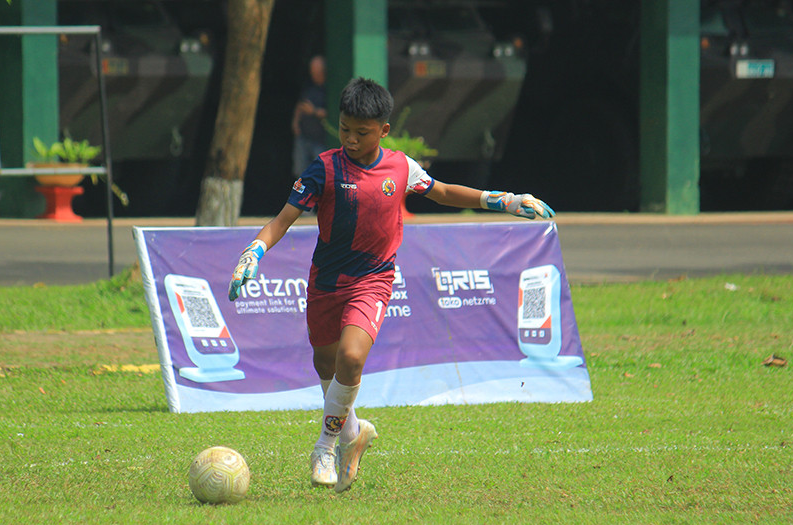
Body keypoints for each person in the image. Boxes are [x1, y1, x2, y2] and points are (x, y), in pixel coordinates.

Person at [228, 77, 553, 493]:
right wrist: (254, 250)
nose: (350, 139)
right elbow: (282, 220)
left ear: (383, 130)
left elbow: (443, 191)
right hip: (326, 281)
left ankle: (325, 446)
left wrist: (502, 199)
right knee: (326, 366)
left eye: (361, 133)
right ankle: (353, 435)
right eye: (344, 128)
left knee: (350, 357)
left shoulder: (400, 166)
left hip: (373, 280)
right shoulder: (324, 168)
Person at [291, 55, 328, 177]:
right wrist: (295, 122)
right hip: (303, 136)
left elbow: (330, 113)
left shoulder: (329, 88)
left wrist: (313, 111)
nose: (314, 75)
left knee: (320, 173)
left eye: (316, 72)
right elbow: (300, 104)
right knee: (300, 171)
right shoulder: (309, 85)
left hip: (319, 139)